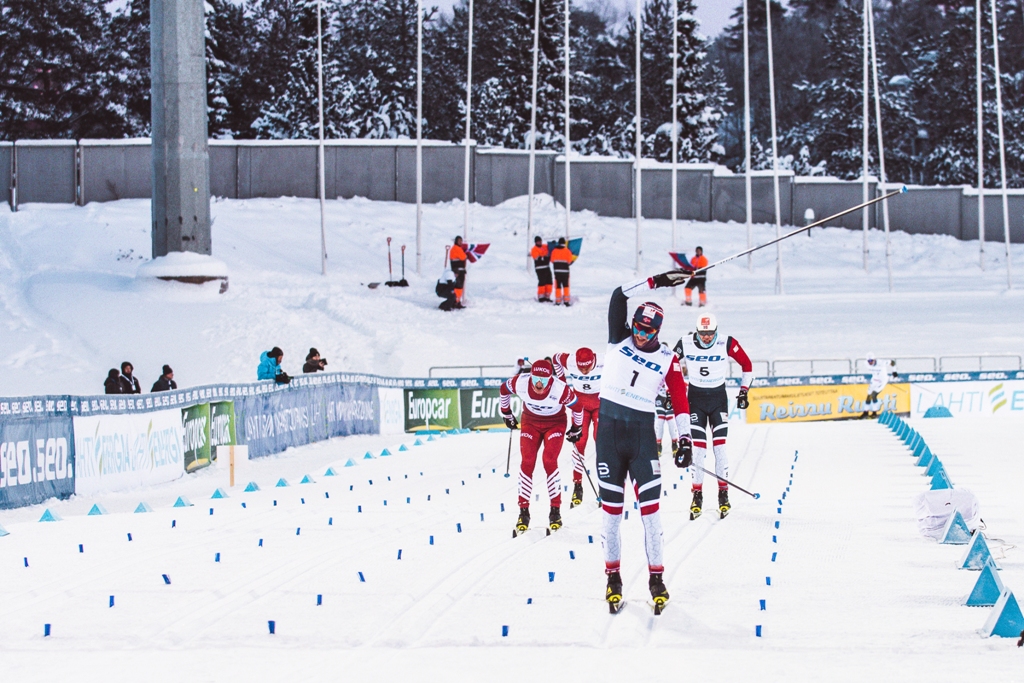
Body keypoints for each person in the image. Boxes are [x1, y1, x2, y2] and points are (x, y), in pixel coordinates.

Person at [597, 269, 694, 614]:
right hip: (608, 435)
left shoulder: (668, 359)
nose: (639, 335)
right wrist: (657, 280)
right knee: (610, 514)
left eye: (647, 331)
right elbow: (617, 295)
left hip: (641, 437)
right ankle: (613, 578)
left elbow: (681, 401)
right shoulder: (617, 340)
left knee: (651, 514)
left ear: (658, 332)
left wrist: (685, 439)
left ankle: (656, 579)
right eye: (636, 327)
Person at [673, 312, 753, 520]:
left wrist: (744, 391)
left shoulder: (727, 342)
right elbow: (669, 365)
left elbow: (747, 365)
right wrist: (672, 391)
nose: (707, 337)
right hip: (696, 401)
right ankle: (697, 494)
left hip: (718, 400)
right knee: (698, 452)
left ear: (716, 331)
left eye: (710, 333)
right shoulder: (685, 342)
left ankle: (723, 494)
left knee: (720, 448)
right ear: (697, 331)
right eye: (703, 333)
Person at [500, 359, 584, 535]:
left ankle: (555, 512)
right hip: (530, 422)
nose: (539, 383)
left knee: (549, 460)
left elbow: (578, 407)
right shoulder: (521, 382)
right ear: (530, 375)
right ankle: (523, 513)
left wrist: (577, 428)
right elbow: (503, 390)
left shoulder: (560, 389)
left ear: (550, 379)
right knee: (527, 462)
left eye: (544, 380)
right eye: (536, 378)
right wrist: (507, 413)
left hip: (555, 423)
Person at [553, 347, 602, 507]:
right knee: (580, 442)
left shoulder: (604, 360)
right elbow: (556, 358)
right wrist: (562, 384)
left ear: (593, 361)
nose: (584, 371)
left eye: (587, 368)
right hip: (579, 405)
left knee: (600, 441)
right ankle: (578, 484)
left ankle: (604, 483)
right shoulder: (570, 360)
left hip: (600, 403)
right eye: (581, 368)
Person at [861, 354, 897, 419]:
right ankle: (865, 413)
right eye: (868, 361)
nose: (870, 362)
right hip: (874, 380)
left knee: (873, 395)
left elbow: (893, 362)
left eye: (871, 361)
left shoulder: (881, 363)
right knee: (868, 396)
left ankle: (874, 413)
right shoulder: (866, 363)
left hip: (882, 381)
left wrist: (894, 371)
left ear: (874, 359)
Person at [654, 386, 677, 458]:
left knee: (671, 422)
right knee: (660, 422)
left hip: (669, 395)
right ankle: (658, 445)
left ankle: (674, 444)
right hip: (659, 395)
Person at [550, 237, 573, 306]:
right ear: (564, 243)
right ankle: (566, 301)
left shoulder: (554, 251)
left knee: (558, 286)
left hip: (557, 272)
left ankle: (558, 301)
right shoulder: (567, 251)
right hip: (565, 272)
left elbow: (552, 260)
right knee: (566, 286)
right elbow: (569, 261)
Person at [530, 236, 553, 302]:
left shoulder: (544, 246)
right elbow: (538, 259)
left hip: (547, 267)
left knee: (549, 282)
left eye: (540, 241)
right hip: (540, 268)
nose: (539, 242)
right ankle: (541, 297)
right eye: (538, 241)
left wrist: (553, 244)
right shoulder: (534, 249)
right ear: (535, 242)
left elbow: (550, 249)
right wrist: (545, 257)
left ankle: (547, 296)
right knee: (542, 282)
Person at [448, 236, 468, 308]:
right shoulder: (456, 248)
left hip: (457, 270)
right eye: (459, 241)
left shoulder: (455, 248)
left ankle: (456, 301)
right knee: (458, 287)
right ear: (456, 241)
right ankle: (456, 302)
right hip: (458, 271)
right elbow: (463, 257)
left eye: (461, 241)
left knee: (458, 286)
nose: (460, 242)